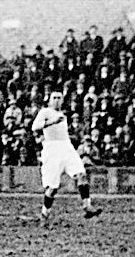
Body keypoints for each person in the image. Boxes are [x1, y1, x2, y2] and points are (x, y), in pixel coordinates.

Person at [30, 91, 102, 222]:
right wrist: (51, 122)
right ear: (50, 100)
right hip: (52, 149)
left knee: (81, 174)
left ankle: (87, 206)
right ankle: (44, 214)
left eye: (59, 98)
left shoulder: (62, 115)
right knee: (52, 188)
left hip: (66, 147)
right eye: (54, 98)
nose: (57, 100)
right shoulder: (45, 112)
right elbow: (34, 127)